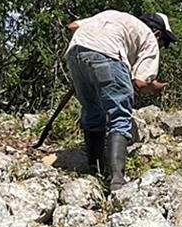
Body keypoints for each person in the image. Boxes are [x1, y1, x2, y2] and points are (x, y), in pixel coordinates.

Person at [65, 10, 175, 191]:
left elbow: (72, 26)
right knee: (120, 116)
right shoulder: (149, 37)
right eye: (163, 43)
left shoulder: (113, 15)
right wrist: (154, 88)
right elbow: (140, 83)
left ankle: (95, 170)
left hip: (75, 51)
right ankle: (117, 180)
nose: (161, 47)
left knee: (93, 111)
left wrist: (89, 53)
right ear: (157, 33)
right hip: (109, 55)